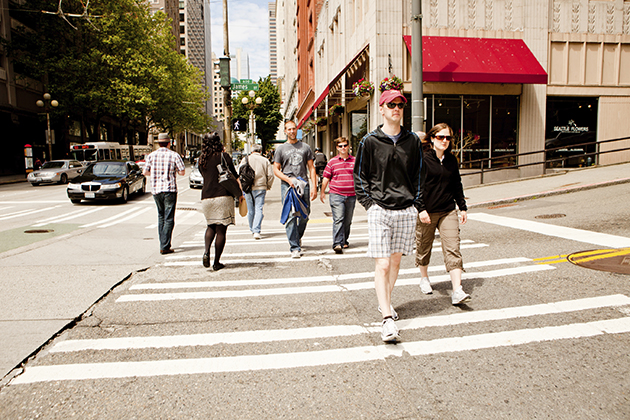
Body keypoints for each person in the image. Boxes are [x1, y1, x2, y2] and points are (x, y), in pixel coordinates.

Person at [353, 89, 424, 343]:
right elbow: (359, 176)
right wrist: (369, 205)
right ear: (381, 109)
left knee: (395, 263)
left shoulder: (413, 141)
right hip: (379, 209)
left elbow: (419, 175)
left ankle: (386, 303)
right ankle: (387, 320)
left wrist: (416, 204)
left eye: (400, 105)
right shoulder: (369, 142)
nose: (396, 108)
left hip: (405, 209)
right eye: (391, 104)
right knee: (382, 264)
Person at [415, 123, 470, 305]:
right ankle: (424, 278)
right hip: (427, 212)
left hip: (448, 210)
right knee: (424, 245)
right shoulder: (423, 159)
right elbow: (417, 187)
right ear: (432, 138)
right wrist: (421, 209)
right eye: (440, 137)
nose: (444, 141)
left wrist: (462, 207)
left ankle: (457, 290)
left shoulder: (451, 160)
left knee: (453, 247)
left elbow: (457, 184)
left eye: (448, 138)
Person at [198, 133, 243, 271]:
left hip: (206, 197)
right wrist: (240, 194)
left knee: (210, 226)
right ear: (218, 143)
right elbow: (235, 176)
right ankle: (216, 262)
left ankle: (206, 251)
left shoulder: (202, 159)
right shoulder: (224, 157)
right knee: (221, 230)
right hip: (223, 196)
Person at [273, 120, 318, 258]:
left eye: (294, 129)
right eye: (289, 129)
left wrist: (314, 186)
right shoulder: (280, 149)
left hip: (303, 184)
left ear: (296, 130)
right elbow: (276, 169)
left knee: (305, 214)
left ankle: (297, 236)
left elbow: (311, 167)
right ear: (285, 131)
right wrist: (288, 180)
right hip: (288, 186)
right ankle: (294, 247)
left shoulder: (305, 147)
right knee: (291, 216)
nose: (292, 131)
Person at [143, 133, 186, 255]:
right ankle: (165, 245)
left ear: (158, 143)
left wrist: (155, 173)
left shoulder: (152, 156)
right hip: (169, 189)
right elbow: (182, 172)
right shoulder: (174, 155)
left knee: (160, 216)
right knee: (169, 218)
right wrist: (173, 171)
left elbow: (145, 172)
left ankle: (162, 244)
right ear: (168, 143)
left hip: (156, 190)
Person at [320, 136, 356, 254]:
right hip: (336, 194)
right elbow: (326, 178)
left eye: (345, 145)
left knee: (348, 220)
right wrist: (322, 192)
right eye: (340, 146)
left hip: (351, 195)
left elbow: (360, 177)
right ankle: (337, 243)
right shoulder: (332, 162)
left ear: (348, 146)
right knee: (339, 219)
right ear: (337, 148)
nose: (343, 148)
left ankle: (344, 240)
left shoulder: (355, 161)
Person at [241, 144, 274, 239]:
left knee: (251, 210)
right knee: (259, 208)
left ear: (252, 151)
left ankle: (252, 229)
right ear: (260, 151)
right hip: (260, 187)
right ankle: (256, 230)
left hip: (248, 187)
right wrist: (268, 185)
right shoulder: (265, 160)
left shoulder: (245, 159)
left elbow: (240, 173)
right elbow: (270, 175)